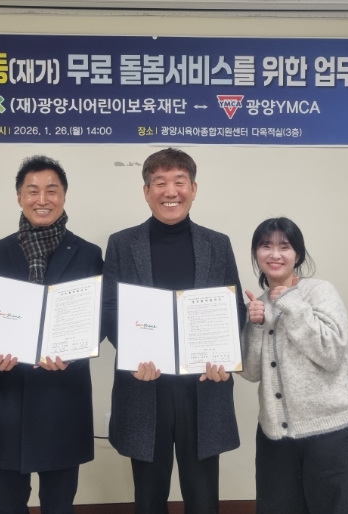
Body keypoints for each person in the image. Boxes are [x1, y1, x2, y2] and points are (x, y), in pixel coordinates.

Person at [102, 148, 247, 514]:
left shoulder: (217, 244)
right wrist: (134, 353)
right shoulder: (122, 244)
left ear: (193, 189)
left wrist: (226, 358)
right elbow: (110, 309)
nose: (170, 191)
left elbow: (234, 309)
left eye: (179, 182)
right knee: (149, 499)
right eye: (160, 183)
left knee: (203, 499)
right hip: (144, 385)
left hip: (203, 386)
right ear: (146, 191)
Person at [0, 155, 103, 514]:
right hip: (7, 394)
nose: (42, 199)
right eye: (32, 191)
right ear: (19, 197)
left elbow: (99, 319)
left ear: (64, 196)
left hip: (64, 394)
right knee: (7, 504)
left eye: (51, 190)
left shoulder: (89, 254)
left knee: (59, 504)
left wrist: (74, 353)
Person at [241, 217, 348, 514]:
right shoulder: (259, 303)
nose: (275, 254)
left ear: (297, 254)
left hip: (332, 433)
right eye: (265, 246)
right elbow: (250, 372)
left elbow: (331, 352)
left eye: (284, 246)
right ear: (256, 254)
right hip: (276, 438)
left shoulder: (320, 291)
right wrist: (256, 325)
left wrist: (291, 301)